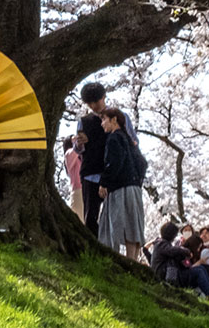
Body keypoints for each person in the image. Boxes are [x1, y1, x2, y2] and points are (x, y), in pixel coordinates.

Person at [96, 108, 147, 260]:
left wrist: (104, 182)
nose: (102, 124)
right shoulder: (129, 140)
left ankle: (117, 260)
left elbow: (114, 162)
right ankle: (133, 261)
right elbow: (143, 163)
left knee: (117, 224)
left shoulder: (113, 138)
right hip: (134, 187)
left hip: (121, 188)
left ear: (114, 120)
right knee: (133, 225)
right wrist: (137, 180)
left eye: (104, 119)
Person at [76, 82, 108, 234]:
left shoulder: (116, 117)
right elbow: (78, 149)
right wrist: (79, 143)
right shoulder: (84, 121)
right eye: (90, 103)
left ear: (104, 97)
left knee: (111, 216)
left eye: (96, 101)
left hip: (110, 172)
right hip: (90, 173)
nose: (94, 105)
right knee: (90, 216)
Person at [63, 134, 86, 219]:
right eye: (74, 140)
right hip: (78, 191)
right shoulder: (68, 154)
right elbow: (76, 149)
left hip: (85, 189)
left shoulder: (81, 156)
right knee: (80, 218)